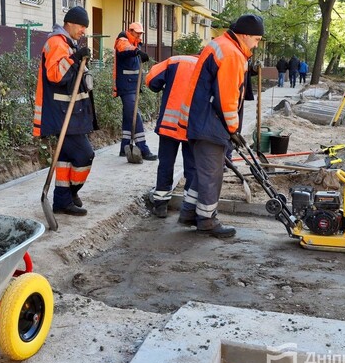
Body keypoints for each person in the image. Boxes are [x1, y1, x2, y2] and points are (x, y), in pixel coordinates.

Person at [178, 14, 264, 238]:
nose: (256, 44)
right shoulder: (232, 54)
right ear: (244, 35)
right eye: (256, 39)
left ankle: (189, 211)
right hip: (211, 123)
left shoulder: (221, 45)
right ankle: (207, 220)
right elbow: (227, 98)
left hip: (200, 119)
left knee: (202, 172)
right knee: (212, 174)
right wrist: (234, 129)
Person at [33, 6, 95, 216]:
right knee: (85, 154)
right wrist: (75, 58)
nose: (83, 31)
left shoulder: (69, 43)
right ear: (69, 23)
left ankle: (62, 201)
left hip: (71, 113)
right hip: (62, 114)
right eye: (81, 26)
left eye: (85, 27)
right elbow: (56, 76)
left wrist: (79, 59)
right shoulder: (56, 42)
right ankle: (71, 192)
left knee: (66, 158)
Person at [145, 55, 198, 218]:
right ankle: (189, 209)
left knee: (166, 164)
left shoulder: (175, 61)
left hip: (169, 124)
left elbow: (151, 80)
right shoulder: (206, 65)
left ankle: (160, 205)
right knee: (192, 167)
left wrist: (164, 86)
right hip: (192, 126)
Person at [113, 22, 157, 161]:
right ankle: (143, 148)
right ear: (130, 31)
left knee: (128, 116)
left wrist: (138, 49)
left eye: (140, 33)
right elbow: (126, 49)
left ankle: (124, 147)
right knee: (134, 115)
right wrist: (137, 51)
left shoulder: (136, 43)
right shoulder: (123, 40)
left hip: (133, 86)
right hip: (126, 86)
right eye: (137, 33)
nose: (139, 35)